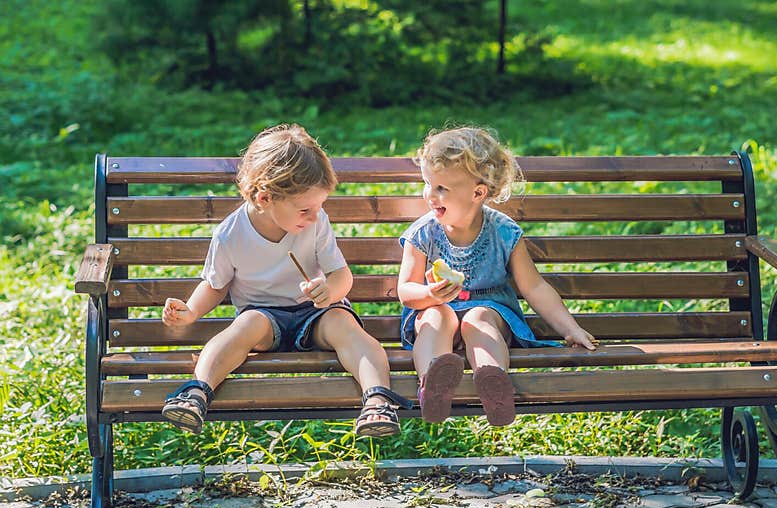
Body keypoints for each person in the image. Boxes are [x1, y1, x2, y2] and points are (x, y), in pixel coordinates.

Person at [161, 123, 411, 437]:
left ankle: (377, 400)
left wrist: (329, 291)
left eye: (320, 206)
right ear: (265, 198)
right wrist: (192, 311)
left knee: (348, 329)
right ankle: (196, 393)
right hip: (264, 316)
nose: (315, 216)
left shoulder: (315, 223)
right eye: (306, 209)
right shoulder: (231, 234)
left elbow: (341, 275)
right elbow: (215, 284)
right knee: (242, 328)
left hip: (316, 312)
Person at [397, 126, 597, 426]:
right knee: (435, 317)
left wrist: (570, 328)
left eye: (442, 189)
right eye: (428, 183)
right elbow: (406, 290)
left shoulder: (503, 232)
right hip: (436, 309)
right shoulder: (423, 232)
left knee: (479, 317)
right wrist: (428, 295)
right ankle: (433, 384)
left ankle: (494, 384)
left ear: (478, 193)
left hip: (490, 311)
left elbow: (534, 287)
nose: (430, 195)